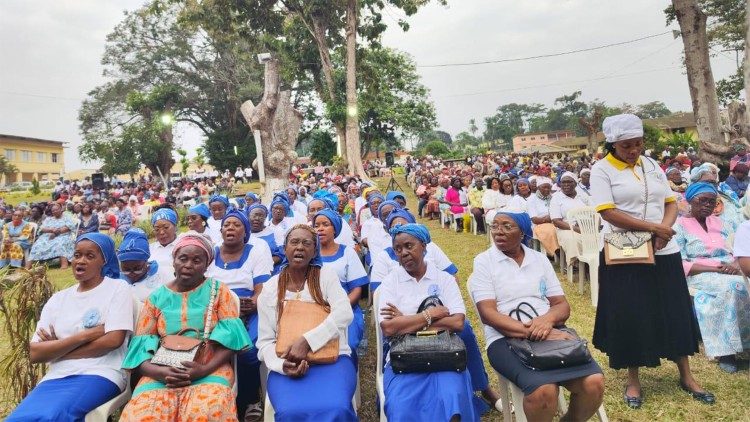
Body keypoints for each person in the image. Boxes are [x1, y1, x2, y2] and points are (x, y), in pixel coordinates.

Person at [590, 114, 711, 408]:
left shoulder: (652, 165)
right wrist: (652, 229)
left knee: (674, 309)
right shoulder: (601, 170)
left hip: (663, 249)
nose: (634, 150)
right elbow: (607, 212)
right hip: (625, 251)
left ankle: (686, 374)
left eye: (638, 143)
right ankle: (633, 380)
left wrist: (664, 231)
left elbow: (670, 202)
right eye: (626, 145)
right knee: (632, 311)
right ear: (613, 144)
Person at [470, 212, 604, 421]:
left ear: (522, 232)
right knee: (544, 391)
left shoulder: (539, 259)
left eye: (507, 226)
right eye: (495, 226)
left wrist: (547, 322)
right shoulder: (484, 262)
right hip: (504, 338)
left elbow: (561, 305)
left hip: (550, 331)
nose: (499, 231)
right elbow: (488, 314)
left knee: (594, 383)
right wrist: (537, 332)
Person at [120, 232, 251, 421]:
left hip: (210, 368)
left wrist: (202, 370)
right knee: (144, 414)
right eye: (183, 258)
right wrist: (160, 373)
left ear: (207, 265)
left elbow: (231, 342)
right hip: (161, 372)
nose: (188, 265)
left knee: (205, 412)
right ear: (174, 261)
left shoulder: (219, 291)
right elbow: (140, 348)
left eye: (197, 260)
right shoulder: (156, 298)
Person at [7, 234, 133, 421]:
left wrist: (57, 350)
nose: (80, 261)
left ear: (104, 261)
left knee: (53, 417)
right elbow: (36, 353)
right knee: (18, 419)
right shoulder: (58, 299)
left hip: (101, 372)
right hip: (56, 377)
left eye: (90, 256)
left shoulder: (118, 288)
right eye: (77, 255)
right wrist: (86, 335)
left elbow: (113, 340)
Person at [378, 223, 478, 421]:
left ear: (424, 246)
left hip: (445, 355)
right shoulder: (391, 282)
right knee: (401, 406)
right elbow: (389, 328)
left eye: (409, 246)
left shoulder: (444, 279)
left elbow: (458, 322)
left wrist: (406, 322)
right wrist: (432, 314)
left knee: (452, 399)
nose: (403, 253)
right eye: (398, 249)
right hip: (405, 359)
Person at [256, 224, 357, 421]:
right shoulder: (270, 289)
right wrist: (281, 365)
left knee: (337, 407)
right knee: (290, 412)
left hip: (332, 359)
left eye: (306, 243)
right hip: (288, 365)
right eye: (294, 242)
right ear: (285, 249)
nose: (300, 247)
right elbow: (265, 342)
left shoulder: (325, 276)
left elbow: (344, 313)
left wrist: (307, 341)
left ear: (314, 251)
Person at [673, 182, 750, 373]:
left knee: (740, 283)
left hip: (730, 268)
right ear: (690, 200)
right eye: (703, 200)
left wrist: (735, 264)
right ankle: (727, 351)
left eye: (712, 201)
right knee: (733, 287)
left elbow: (736, 250)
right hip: (700, 272)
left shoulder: (721, 222)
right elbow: (679, 263)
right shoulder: (679, 226)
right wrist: (716, 269)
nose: (708, 205)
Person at [205, 209, 273, 420]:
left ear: (245, 231)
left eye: (236, 225)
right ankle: (215, 396)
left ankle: (250, 399)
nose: (230, 228)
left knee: (248, 351)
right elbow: (201, 285)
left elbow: (262, 286)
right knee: (207, 347)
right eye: (227, 225)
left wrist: (253, 303)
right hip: (215, 310)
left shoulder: (256, 250)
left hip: (250, 308)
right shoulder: (211, 252)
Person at [313, 209, 368, 354]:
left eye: (325, 224)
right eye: (316, 225)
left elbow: (356, 290)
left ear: (335, 229)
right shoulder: (309, 254)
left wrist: (338, 309)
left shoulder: (347, 252)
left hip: (344, 307)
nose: (320, 228)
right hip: (313, 307)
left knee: (345, 344)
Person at [118, 228, 166, 303]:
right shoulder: (116, 279)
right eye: (126, 269)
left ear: (146, 261)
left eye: (137, 268)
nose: (131, 274)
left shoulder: (162, 276)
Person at [29, 203, 77, 269]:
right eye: (53, 210)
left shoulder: (66, 217)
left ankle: (64, 264)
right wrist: (51, 229)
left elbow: (68, 227)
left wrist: (56, 233)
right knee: (37, 244)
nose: (55, 211)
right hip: (47, 236)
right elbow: (42, 228)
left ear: (61, 209)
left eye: (56, 209)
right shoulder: (49, 219)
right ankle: (28, 266)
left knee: (60, 243)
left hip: (63, 235)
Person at [527, 178, 559, 257]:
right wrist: (547, 219)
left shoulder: (553, 198)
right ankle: (557, 253)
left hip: (554, 221)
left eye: (549, 187)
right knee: (551, 231)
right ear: (538, 188)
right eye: (544, 187)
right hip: (539, 224)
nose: (547, 189)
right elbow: (535, 220)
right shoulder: (532, 199)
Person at [149, 207, 179, 284]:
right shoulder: (150, 249)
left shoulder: (183, 246)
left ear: (175, 227)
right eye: (157, 229)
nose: (161, 232)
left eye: (166, 227)